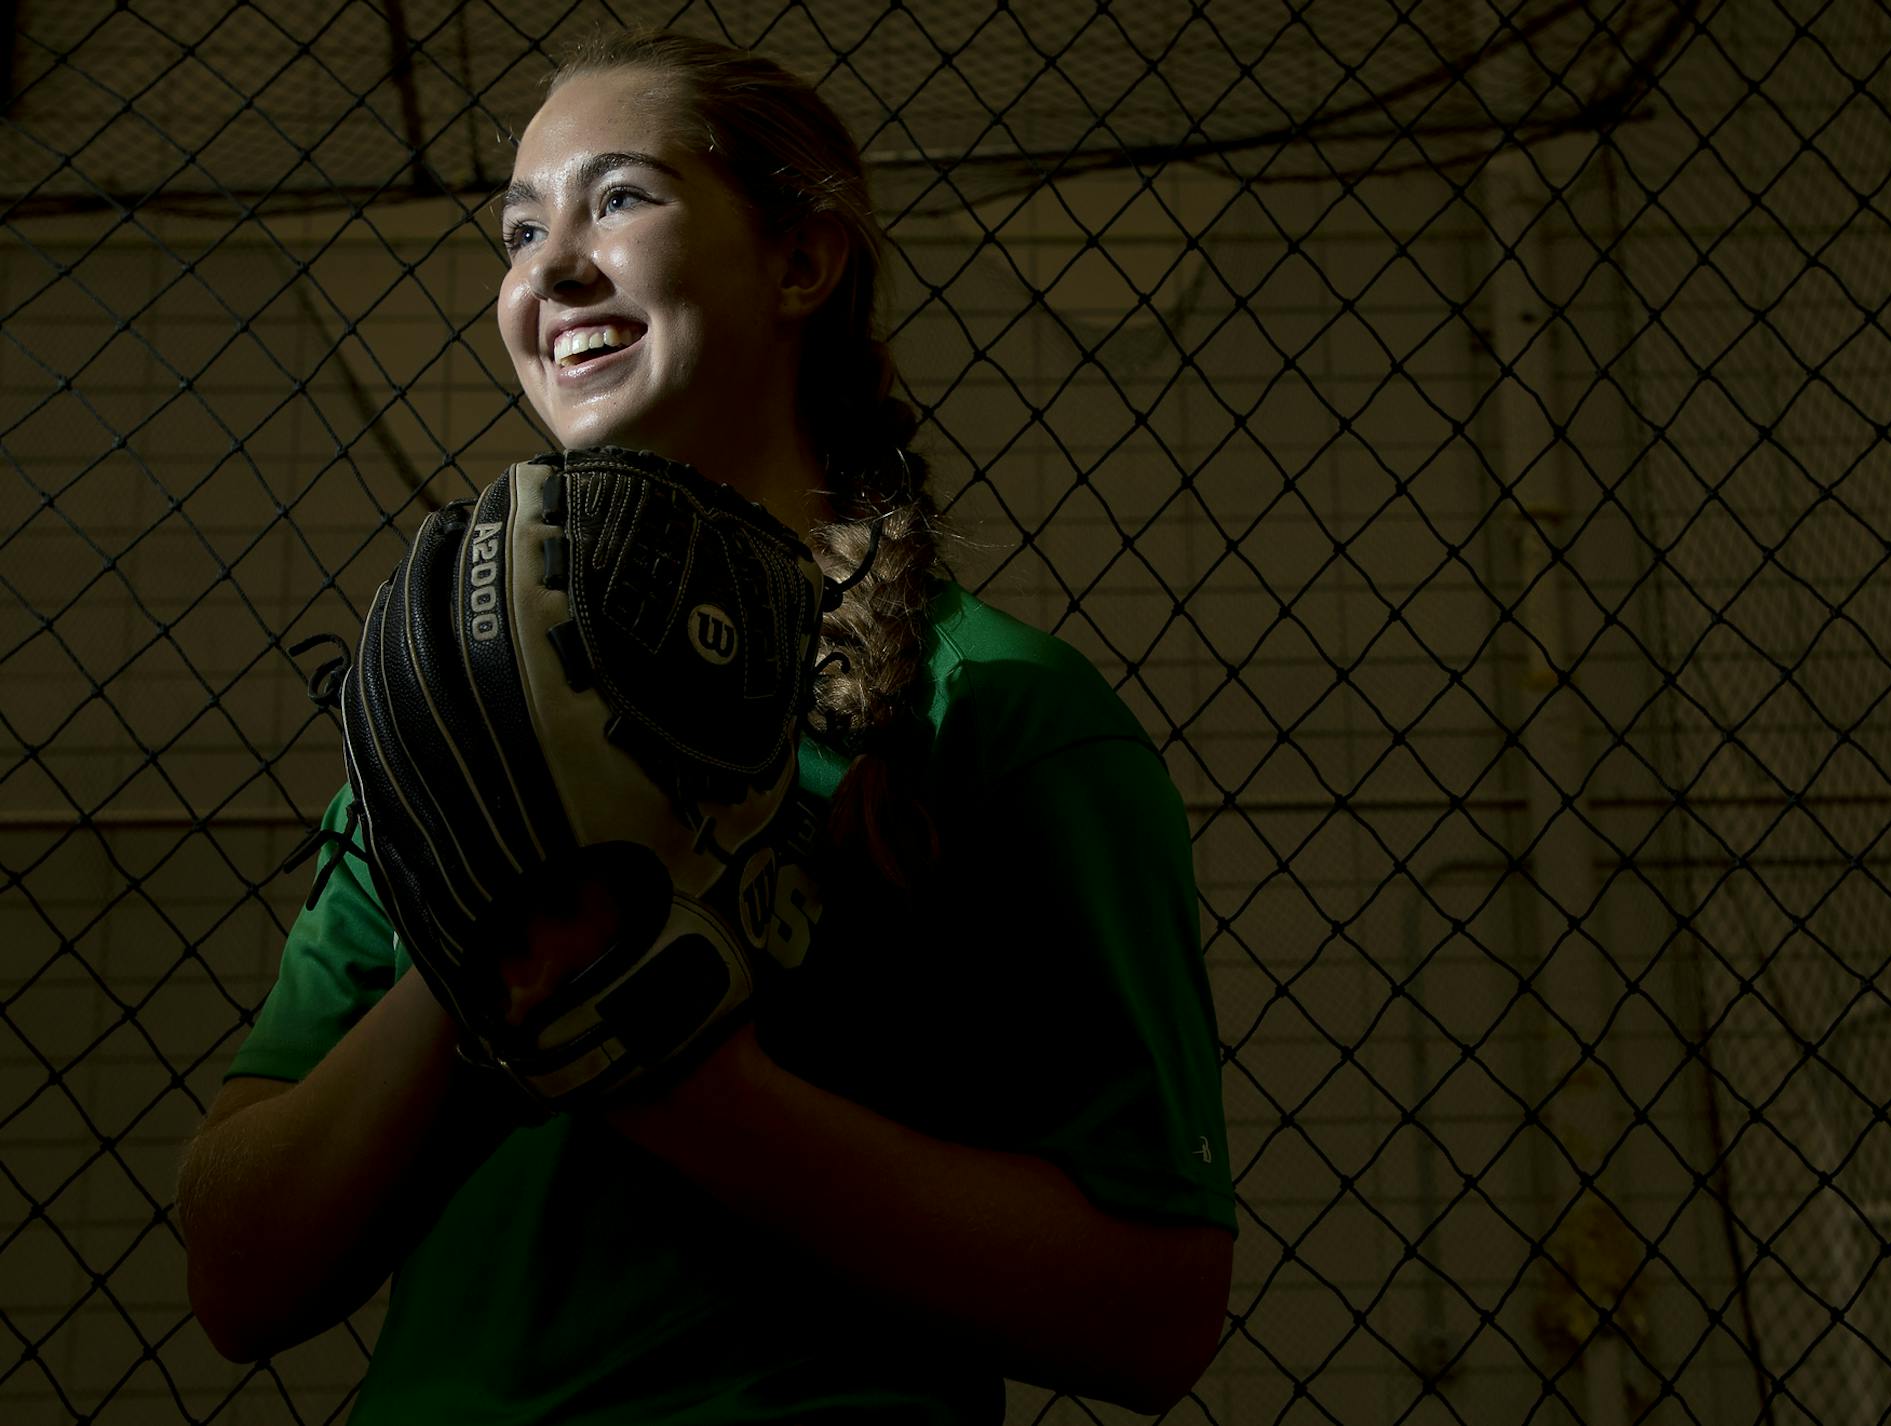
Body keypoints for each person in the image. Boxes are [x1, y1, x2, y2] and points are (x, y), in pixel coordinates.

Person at [175, 28, 1237, 1424]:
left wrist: (676, 1078)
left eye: (618, 198)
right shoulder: (432, 734)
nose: (549, 265)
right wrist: (488, 943)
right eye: (518, 227)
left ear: (801, 262)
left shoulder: (1000, 713)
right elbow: (240, 1275)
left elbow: (1154, 1313)